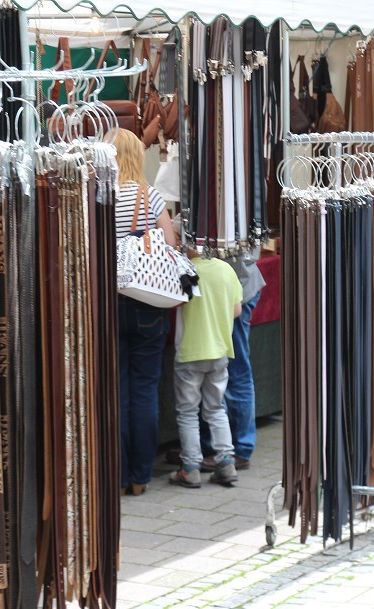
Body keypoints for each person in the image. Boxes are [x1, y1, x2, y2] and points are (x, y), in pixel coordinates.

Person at [112, 128, 178, 497]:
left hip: (111, 299)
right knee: (145, 388)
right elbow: (169, 245)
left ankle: (119, 474)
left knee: (118, 389)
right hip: (149, 301)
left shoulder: (98, 195)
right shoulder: (149, 197)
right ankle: (140, 476)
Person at [170, 245, 244, 489]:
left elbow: (174, 303)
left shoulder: (186, 270)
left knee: (188, 412)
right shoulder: (226, 270)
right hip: (220, 349)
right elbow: (236, 310)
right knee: (215, 408)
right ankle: (225, 461)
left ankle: (190, 468)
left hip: (191, 351)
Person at [197, 252, 266, 471]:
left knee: (236, 372)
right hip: (228, 288)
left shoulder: (234, 218)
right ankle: (216, 447)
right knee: (228, 371)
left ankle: (238, 450)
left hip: (231, 292)